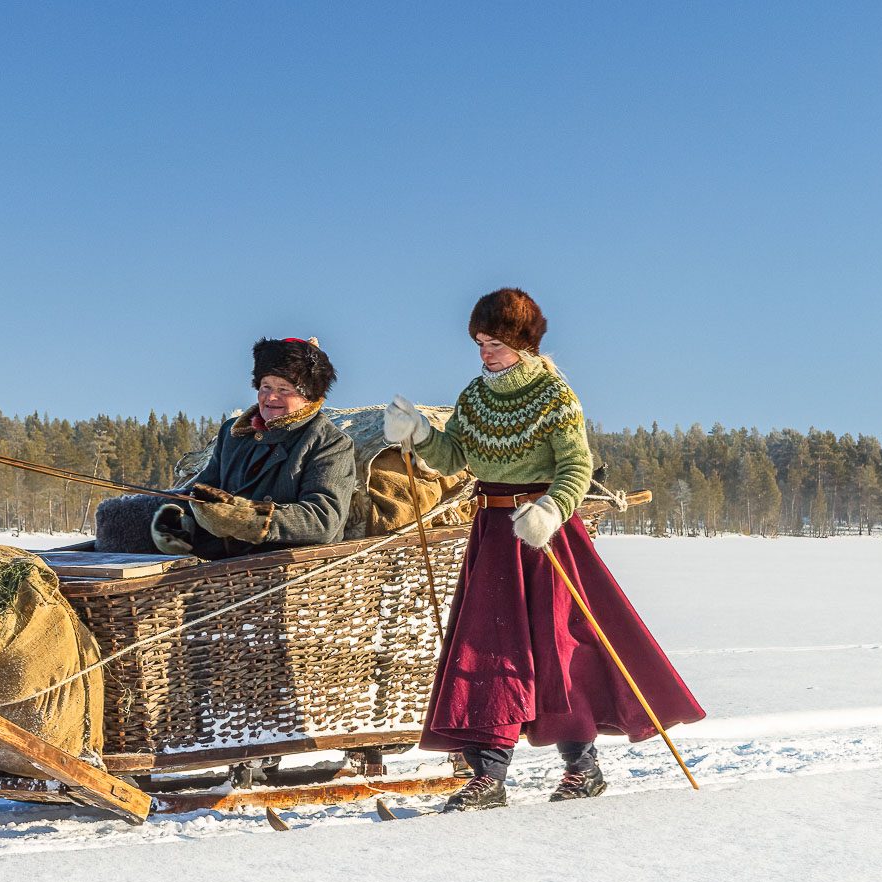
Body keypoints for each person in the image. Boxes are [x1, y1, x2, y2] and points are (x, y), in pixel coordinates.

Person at [384, 288, 704, 811]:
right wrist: (419, 434)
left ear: (525, 345)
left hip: (545, 533)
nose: (486, 353)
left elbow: (576, 467)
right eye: (481, 343)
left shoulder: (555, 396)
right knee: (488, 649)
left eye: (497, 344)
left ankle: (582, 766)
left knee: (560, 648)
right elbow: (454, 457)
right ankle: (488, 774)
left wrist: (552, 510)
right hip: (492, 533)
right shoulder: (474, 397)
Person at [150, 337, 356, 558]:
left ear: (308, 397)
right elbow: (206, 490)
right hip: (226, 566)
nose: (271, 397)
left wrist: (248, 519)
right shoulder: (233, 434)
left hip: (290, 569)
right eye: (265, 387)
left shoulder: (330, 443)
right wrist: (183, 520)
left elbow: (323, 520)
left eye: (284, 389)